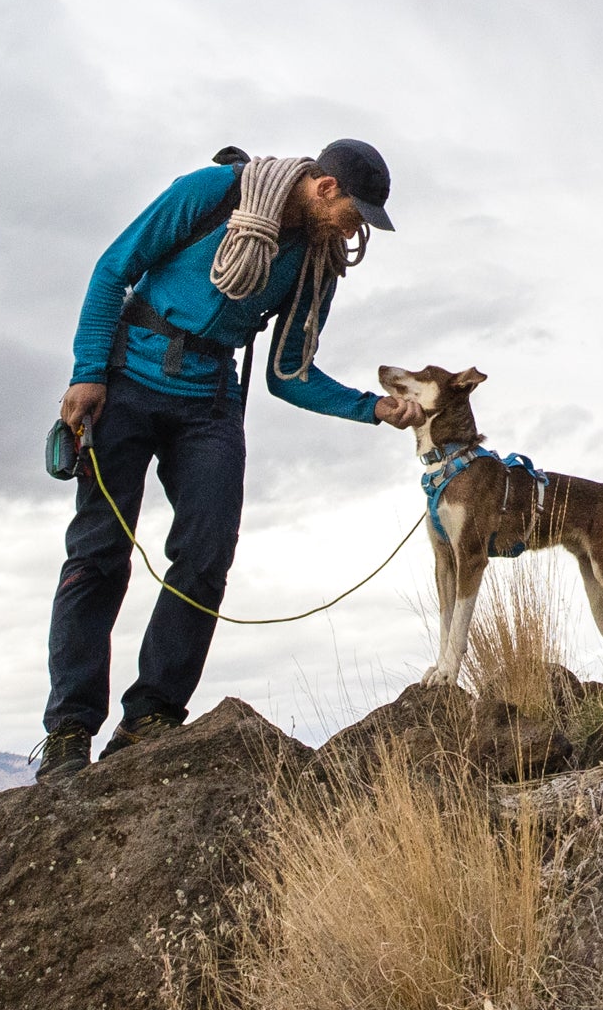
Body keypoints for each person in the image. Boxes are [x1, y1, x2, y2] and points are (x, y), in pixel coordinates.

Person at [39, 136, 421, 780]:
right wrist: (87, 372)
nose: (357, 232)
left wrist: (369, 408)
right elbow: (113, 270)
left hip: (210, 401)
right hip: (127, 381)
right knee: (100, 551)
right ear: (326, 187)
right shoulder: (212, 194)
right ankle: (70, 731)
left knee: (208, 552)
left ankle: (151, 717)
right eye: (355, 214)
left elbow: (287, 375)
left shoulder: (315, 263)